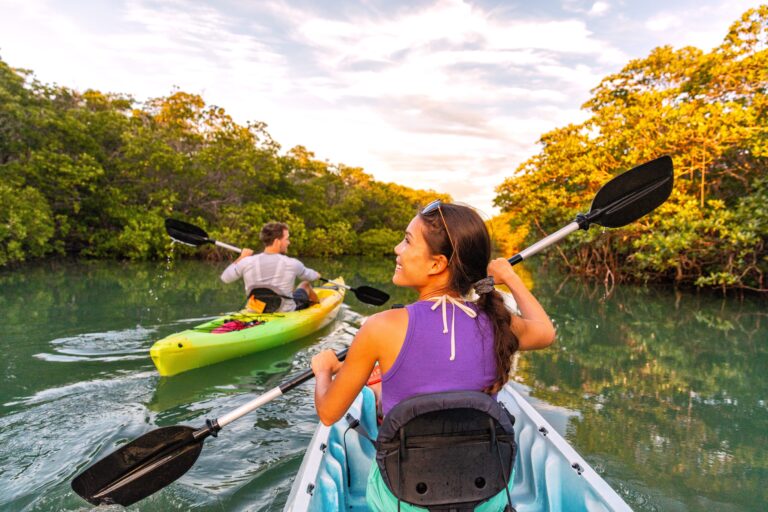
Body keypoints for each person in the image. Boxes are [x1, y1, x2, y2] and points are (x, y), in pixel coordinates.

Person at [311, 201, 556, 511]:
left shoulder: (380, 327)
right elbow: (545, 331)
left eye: (407, 240)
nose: (397, 248)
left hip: (403, 501)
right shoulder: (497, 322)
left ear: (437, 264)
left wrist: (323, 370)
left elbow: (329, 413)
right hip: (484, 497)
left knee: (376, 396)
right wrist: (509, 277)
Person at [220, 221, 320, 312]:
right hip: (284, 312)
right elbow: (312, 276)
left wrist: (241, 257)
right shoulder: (292, 263)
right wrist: (317, 275)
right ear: (277, 241)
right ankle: (319, 309)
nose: (288, 243)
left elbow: (225, 278)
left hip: (256, 310)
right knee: (305, 285)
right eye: (287, 239)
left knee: (290, 289)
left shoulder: (247, 261)